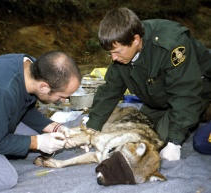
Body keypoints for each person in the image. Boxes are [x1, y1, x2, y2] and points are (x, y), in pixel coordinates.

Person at [86, 7, 211, 161]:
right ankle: (189, 116)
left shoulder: (171, 44)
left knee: (158, 137)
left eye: (117, 52)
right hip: (160, 97)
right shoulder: (124, 43)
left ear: (136, 40)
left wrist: (174, 142)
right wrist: (92, 127)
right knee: (138, 127)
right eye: (110, 53)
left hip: (198, 88)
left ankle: (203, 110)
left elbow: (186, 93)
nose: (113, 58)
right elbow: (110, 90)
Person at [0, 51, 81, 192]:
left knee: (42, 141)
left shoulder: (32, 68)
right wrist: (38, 142)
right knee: (1, 178)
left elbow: (22, 106)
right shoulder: (1, 91)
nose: (64, 101)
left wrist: (54, 127)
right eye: (62, 96)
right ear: (44, 87)